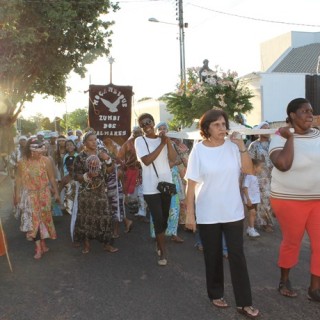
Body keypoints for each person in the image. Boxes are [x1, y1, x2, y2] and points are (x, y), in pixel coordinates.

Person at [185, 109, 259, 318]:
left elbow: (249, 171)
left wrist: (243, 147)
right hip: (208, 211)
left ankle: (244, 302)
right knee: (213, 255)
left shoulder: (234, 148)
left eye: (223, 124)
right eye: (216, 124)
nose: (222, 128)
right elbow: (191, 183)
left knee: (237, 256)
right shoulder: (198, 150)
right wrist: (190, 214)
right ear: (206, 127)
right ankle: (215, 293)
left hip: (233, 211)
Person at [269, 98, 320, 301]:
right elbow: (282, 164)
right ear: (292, 115)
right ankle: (284, 280)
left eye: (312, 111)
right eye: (305, 111)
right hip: (289, 199)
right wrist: (290, 138)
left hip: (317, 199)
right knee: (292, 241)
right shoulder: (279, 136)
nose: (310, 115)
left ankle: (315, 288)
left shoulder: (317, 135)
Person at [135, 113, 176, 266]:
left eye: (149, 122)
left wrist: (167, 142)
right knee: (158, 218)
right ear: (141, 128)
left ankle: (159, 241)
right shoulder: (140, 141)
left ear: (153, 122)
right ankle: (162, 251)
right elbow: (146, 160)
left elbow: (172, 159)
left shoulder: (163, 140)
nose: (147, 126)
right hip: (151, 187)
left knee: (164, 217)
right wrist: (161, 144)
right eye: (143, 124)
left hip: (167, 183)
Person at [73, 131, 117, 254]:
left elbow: (109, 171)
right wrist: (87, 175)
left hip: (101, 191)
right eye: (91, 140)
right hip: (86, 193)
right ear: (85, 142)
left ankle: (107, 244)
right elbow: (75, 176)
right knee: (86, 218)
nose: (94, 142)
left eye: (95, 139)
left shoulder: (102, 154)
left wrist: (107, 159)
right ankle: (86, 244)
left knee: (105, 216)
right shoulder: (80, 157)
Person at [15, 138, 60, 259]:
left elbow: (51, 178)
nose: (40, 154)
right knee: (34, 220)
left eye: (41, 151)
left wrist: (56, 193)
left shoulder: (46, 161)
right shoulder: (22, 163)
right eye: (37, 152)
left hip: (44, 194)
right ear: (30, 151)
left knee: (44, 219)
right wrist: (17, 195)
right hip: (30, 195)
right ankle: (38, 248)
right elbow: (18, 179)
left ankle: (43, 243)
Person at [155, 122, 184, 243]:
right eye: (160, 129)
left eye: (164, 129)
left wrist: (174, 163)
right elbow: (159, 164)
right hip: (159, 179)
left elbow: (177, 158)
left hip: (173, 179)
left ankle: (173, 232)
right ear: (156, 132)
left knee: (174, 206)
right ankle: (157, 234)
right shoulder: (153, 144)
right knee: (158, 208)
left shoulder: (172, 144)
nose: (162, 131)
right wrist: (173, 164)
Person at [248, 121, 274, 232]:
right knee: (262, 200)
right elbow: (249, 160)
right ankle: (265, 223)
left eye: (268, 128)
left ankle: (267, 221)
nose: (267, 130)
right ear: (259, 131)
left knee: (270, 200)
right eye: (264, 128)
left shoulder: (273, 143)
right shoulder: (254, 145)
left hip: (273, 176)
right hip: (259, 177)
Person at [118, 126, 147, 221]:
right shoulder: (127, 144)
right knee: (132, 194)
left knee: (142, 193)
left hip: (144, 171)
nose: (138, 134)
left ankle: (142, 213)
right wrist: (124, 167)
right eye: (135, 132)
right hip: (130, 171)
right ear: (132, 133)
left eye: (139, 132)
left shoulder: (145, 142)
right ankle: (134, 213)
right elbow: (120, 157)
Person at [242, 159, 264, 238]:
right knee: (252, 213)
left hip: (255, 199)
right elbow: (245, 188)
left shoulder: (254, 176)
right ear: (255, 167)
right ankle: (251, 229)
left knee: (253, 214)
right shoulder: (249, 176)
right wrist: (248, 199)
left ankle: (250, 228)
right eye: (260, 167)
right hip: (250, 199)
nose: (261, 169)